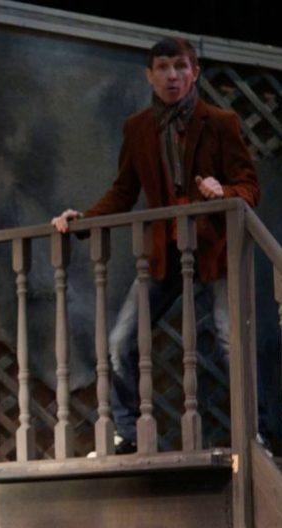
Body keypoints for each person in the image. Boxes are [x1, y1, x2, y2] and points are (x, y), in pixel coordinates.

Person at [52, 37, 260, 453]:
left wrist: (223, 191)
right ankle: (128, 434)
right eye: (163, 68)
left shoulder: (221, 122)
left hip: (214, 253)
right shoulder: (139, 127)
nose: (172, 76)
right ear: (150, 76)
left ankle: (254, 437)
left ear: (194, 72)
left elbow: (250, 188)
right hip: (165, 253)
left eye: (180, 67)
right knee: (120, 341)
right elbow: (124, 190)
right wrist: (83, 220)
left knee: (230, 343)